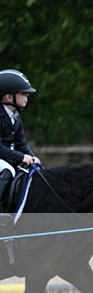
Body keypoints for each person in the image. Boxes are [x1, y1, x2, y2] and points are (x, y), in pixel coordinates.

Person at [0, 69, 40, 209]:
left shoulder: (15, 116)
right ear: (9, 97)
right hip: (2, 158)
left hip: (8, 157)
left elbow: (21, 144)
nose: (27, 97)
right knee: (7, 171)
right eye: (23, 93)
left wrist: (33, 158)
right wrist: (21, 157)